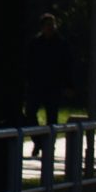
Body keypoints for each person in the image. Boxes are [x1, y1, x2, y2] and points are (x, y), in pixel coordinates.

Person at [26, 13, 72, 157]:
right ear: (42, 27)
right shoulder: (35, 43)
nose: (51, 28)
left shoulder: (61, 44)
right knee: (30, 114)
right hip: (36, 85)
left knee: (52, 118)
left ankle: (49, 145)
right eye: (48, 25)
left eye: (53, 25)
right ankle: (37, 140)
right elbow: (28, 64)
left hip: (53, 86)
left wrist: (68, 85)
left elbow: (67, 66)